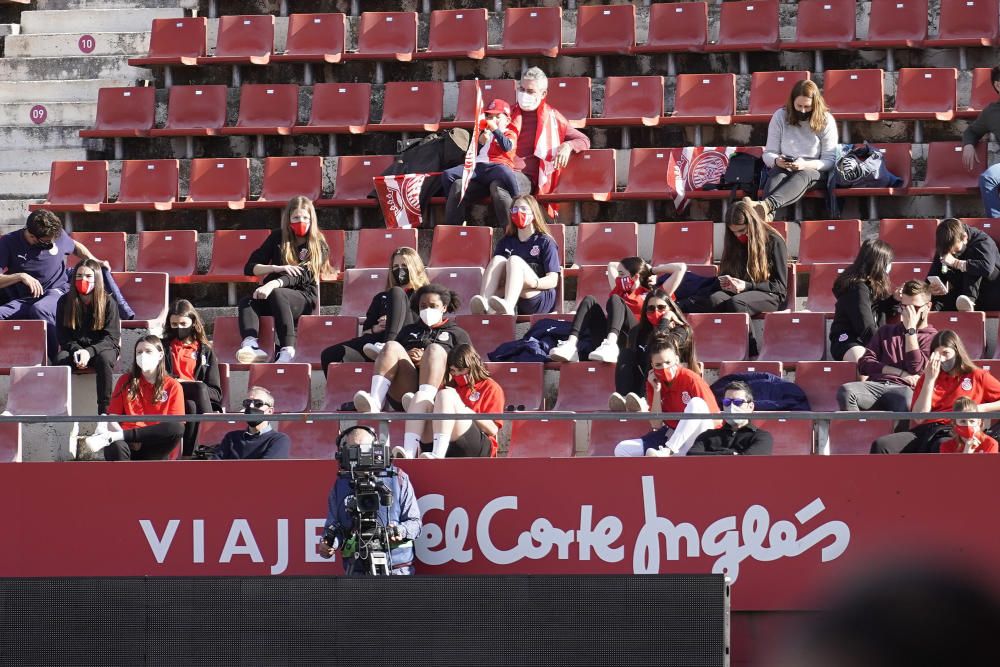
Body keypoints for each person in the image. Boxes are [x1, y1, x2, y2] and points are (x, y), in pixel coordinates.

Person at [677, 198, 787, 356]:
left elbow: (780, 287)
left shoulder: (774, 242)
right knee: (713, 300)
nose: (738, 236)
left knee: (737, 304)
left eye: (742, 231)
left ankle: (752, 352)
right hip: (741, 290)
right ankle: (714, 349)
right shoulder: (734, 242)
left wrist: (747, 286)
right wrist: (727, 281)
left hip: (771, 294)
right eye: (734, 232)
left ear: (752, 224)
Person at [485, 67, 591, 227]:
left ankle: (511, 235)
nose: (524, 94)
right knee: (457, 182)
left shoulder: (553, 118)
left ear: (543, 94)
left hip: (525, 176)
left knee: (498, 185)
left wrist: (567, 146)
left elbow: (583, 140)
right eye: (521, 89)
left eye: (530, 91)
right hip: (499, 167)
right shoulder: (507, 113)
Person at [0, 209, 109, 359]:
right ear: (31, 236)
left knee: (40, 309)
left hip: (57, 290)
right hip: (26, 298)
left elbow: (75, 246)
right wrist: (20, 276)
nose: (52, 243)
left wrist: (94, 260)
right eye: (47, 241)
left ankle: (56, 358)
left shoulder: (56, 234)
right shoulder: (8, 242)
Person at [352, 284, 471, 421]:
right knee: (391, 346)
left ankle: (423, 404)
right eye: (423, 306)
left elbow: (469, 367)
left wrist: (427, 360)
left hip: (441, 392)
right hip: (405, 392)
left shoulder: (457, 333)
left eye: (433, 306)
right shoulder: (408, 330)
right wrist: (407, 356)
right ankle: (375, 402)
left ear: (444, 307)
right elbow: (395, 357)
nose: (427, 309)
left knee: (434, 350)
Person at [236, 196, 332, 364]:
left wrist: (273, 283)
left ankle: (288, 349)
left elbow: (304, 274)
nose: (300, 221)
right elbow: (250, 267)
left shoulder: (319, 244)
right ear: (288, 218)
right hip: (274, 296)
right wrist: (275, 268)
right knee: (248, 301)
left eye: (305, 218)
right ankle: (251, 345)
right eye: (296, 217)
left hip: (302, 297)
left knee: (278, 294)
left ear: (312, 219)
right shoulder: (277, 237)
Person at [871, 330, 1000, 454]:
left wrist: (980, 408)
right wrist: (929, 379)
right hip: (925, 429)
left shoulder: (977, 375)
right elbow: (919, 417)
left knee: (941, 444)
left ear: (957, 351)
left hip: (953, 429)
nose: (941, 359)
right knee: (882, 445)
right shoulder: (927, 377)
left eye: (945, 353)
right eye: (936, 354)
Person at [318, 425, 422, 575]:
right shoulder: (340, 484)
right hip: (357, 570)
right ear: (344, 453)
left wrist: (400, 530)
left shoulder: (397, 478)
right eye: (354, 449)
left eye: (365, 448)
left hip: (397, 570)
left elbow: (416, 523)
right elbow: (333, 526)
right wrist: (328, 543)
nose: (361, 454)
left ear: (376, 448)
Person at [549, 258, 688, 364]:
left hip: (634, 340)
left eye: (622, 274)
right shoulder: (620, 290)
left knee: (615, 299)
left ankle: (611, 344)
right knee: (589, 300)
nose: (618, 278)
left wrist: (651, 270)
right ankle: (571, 345)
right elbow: (611, 265)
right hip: (607, 342)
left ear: (635, 276)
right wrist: (635, 270)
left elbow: (680, 268)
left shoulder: (652, 294)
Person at [320, 246, 428, 372]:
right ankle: (343, 391)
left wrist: (393, 320)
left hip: (403, 341)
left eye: (404, 265)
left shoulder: (424, 295)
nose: (399, 270)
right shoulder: (381, 297)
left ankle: (388, 347)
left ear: (415, 267)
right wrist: (376, 328)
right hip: (375, 345)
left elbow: (425, 324)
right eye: (395, 267)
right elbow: (365, 331)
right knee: (329, 355)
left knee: (396, 292)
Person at [80, 335, 185, 461]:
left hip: (154, 444)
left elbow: (174, 426)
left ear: (160, 355)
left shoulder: (173, 386)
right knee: (114, 447)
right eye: (139, 352)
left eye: (148, 351)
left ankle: (117, 436)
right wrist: (129, 438)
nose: (143, 355)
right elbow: (113, 417)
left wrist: (123, 435)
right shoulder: (125, 380)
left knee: (177, 427)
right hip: (128, 444)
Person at [837, 280, 937, 413]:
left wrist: (910, 331)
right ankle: (858, 431)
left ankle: (898, 434)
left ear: (928, 307)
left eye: (915, 308)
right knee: (847, 391)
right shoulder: (886, 331)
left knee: (906, 400)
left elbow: (915, 368)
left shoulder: (933, 338)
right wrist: (898, 372)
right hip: (877, 385)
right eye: (904, 307)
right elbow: (864, 364)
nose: (908, 313)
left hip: (904, 389)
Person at [614, 335, 720, 457]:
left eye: (668, 362)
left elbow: (715, 419)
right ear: (652, 365)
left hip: (698, 436)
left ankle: (669, 451)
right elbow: (656, 424)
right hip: (670, 433)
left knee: (696, 403)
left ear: (676, 360)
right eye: (658, 365)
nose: (664, 368)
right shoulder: (653, 381)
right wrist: (657, 390)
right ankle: (653, 474)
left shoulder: (691, 379)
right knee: (622, 449)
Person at [396, 343, 505, 459]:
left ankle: (438, 454)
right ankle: (409, 453)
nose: (457, 374)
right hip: (445, 440)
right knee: (420, 397)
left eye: (461, 370)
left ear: (473, 366)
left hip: (477, 445)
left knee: (446, 395)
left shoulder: (490, 387)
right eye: (453, 371)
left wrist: (464, 411)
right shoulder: (451, 386)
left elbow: (492, 429)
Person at [758, 79, 838, 219]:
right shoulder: (780, 116)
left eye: (807, 107)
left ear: (815, 104)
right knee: (776, 175)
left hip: (814, 170)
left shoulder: (826, 120)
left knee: (804, 174)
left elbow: (829, 160)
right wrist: (777, 161)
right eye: (799, 106)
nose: (802, 110)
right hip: (785, 166)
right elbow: (769, 153)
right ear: (792, 102)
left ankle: (766, 206)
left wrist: (804, 164)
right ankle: (765, 218)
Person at [608, 289, 699, 412]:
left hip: (670, 382)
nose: (656, 312)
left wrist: (665, 321)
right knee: (626, 354)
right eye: (651, 308)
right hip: (642, 383)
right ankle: (624, 399)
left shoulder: (682, 330)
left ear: (670, 309)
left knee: (656, 355)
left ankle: (645, 400)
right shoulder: (637, 332)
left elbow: (660, 346)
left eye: (661, 308)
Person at [470, 194, 561, 315]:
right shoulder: (506, 242)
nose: (518, 212)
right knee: (497, 259)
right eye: (515, 209)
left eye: (523, 209)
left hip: (538, 296)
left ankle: (508, 305)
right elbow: (500, 279)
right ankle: (485, 304)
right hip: (513, 295)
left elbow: (553, 280)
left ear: (533, 214)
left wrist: (532, 283)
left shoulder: (545, 241)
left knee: (514, 261)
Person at [53, 259, 121, 417]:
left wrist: (89, 352)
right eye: (79, 275)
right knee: (60, 359)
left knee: (104, 360)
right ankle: (59, 410)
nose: (83, 279)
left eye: (88, 276)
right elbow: (62, 336)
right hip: (75, 348)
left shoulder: (109, 302)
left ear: (97, 278)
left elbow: (111, 338)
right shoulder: (64, 302)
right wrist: (77, 351)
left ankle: (104, 412)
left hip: (103, 348)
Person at [441, 98, 522, 227]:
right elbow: (472, 154)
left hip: (496, 167)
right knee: (448, 175)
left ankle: (520, 201)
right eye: (489, 117)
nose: (492, 120)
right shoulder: (485, 133)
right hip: (478, 169)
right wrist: (480, 141)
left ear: (507, 120)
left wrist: (496, 130)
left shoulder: (509, 133)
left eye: (497, 117)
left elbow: (507, 146)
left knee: (506, 172)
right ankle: (456, 217)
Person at [162, 299, 223, 457]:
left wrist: (191, 385)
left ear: (193, 322)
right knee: (197, 390)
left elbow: (216, 392)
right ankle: (211, 438)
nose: (179, 328)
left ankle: (189, 455)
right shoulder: (162, 347)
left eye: (183, 324)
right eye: (174, 325)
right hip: (168, 395)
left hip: (197, 399)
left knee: (193, 400)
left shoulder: (206, 351)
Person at [829, 239, 898, 364]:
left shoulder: (877, 283)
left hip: (870, 339)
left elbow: (879, 308)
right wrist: (885, 350)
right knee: (864, 359)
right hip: (848, 339)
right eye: (888, 262)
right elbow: (865, 326)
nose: (890, 265)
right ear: (878, 263)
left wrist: (895, 299)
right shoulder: (857, 288)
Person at [926, 217, 1000, 312]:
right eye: (949, 251)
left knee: (972, 258)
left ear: (964, 238)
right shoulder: (944, 247)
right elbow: (936, 272)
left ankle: (969, 300)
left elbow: (986, 268)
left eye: (956, 250)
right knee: (935, 301)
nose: (952, 254)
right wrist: (931, 287)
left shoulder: (983, 241)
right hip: (961, 295)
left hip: (991, 292)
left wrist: (955, 263)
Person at [688, 381, 773, 455]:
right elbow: (692, 456)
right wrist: (729, 454)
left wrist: (714, 455)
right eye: (727, 402)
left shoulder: (761, 436)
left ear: (750, 407)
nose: (731, 406)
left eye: (738, 402)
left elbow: (748, 462)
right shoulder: (707, 435)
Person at [210, 386, 290, 460]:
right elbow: (214, 467)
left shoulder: (278, 440)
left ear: (269, 411)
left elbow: (267, 470)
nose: (251, 406)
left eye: (258, 403)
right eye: (247, 403)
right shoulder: (231, 438)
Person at [962, 65, 1000, 217]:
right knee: (988, 177)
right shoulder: (991, 112)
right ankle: (996, 225)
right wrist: (969, 144)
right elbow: (972, 131)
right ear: (998, 85)